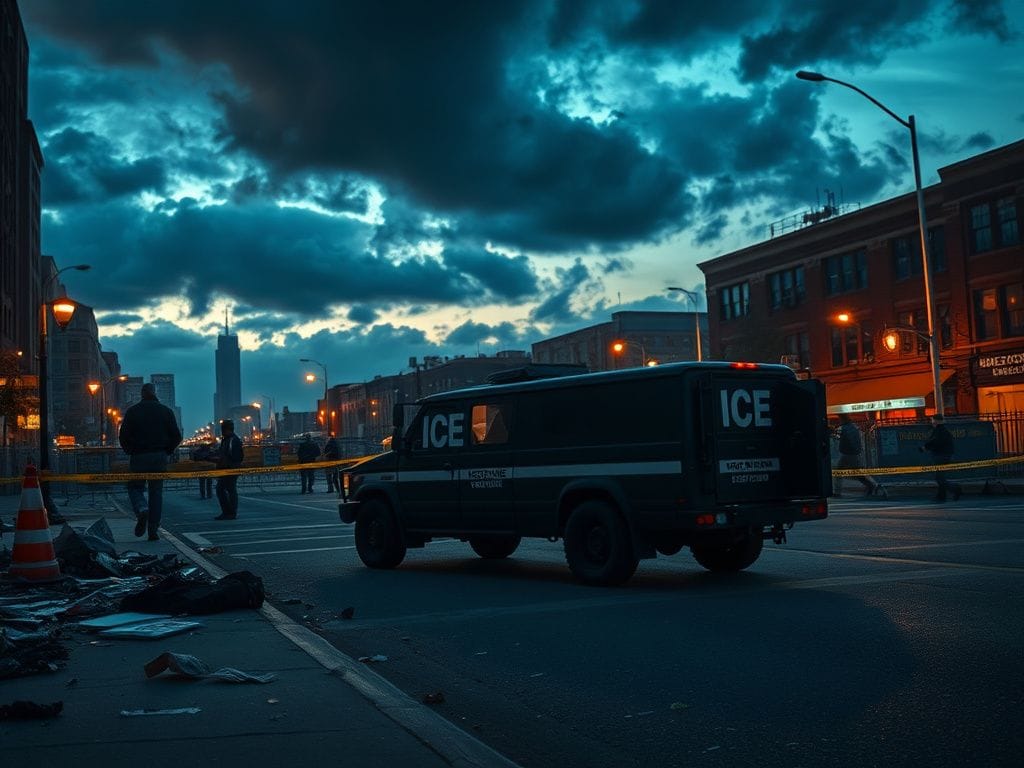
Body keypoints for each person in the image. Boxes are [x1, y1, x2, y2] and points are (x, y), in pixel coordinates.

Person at [118, 382, 182, 541]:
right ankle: (153, 530)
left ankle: (141, 508)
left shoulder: (133, 412)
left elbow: (123, 436)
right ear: (155, 394)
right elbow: (176, 436)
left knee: (134, 487)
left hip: (139, 456)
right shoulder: (166, 411)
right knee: (156, 492)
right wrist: (167, 450)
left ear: (142, 394)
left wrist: (130, 450)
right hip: (159, 456)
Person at [834, 414, 885, 499]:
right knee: (858, 474)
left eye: (840, 419)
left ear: (843, 419)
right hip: (853, 454)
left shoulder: (846, 428)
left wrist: (840, 439)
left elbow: (847, 440)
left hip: (848, 454)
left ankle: (874, 486)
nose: (839, 421)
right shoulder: (853, 427)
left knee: (840, 472)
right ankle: (872, 486)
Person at [921, 415, 962, 502]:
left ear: (937, 421)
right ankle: (941, 495)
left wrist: (925, 447)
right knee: (940, 477)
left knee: (939, 477)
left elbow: (936, 442)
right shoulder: (941, 430)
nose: (931, 422)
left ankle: (955, 489)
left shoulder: (940, 431)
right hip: (943, 455)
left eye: (932, 420)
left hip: (941, 456)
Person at [214, 419, 244, 520]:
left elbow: (238, 456)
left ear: (226, 429)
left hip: (230, 469)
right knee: (222, 490)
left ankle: (230, 513)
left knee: (229, 490)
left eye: (223, 429)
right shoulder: (226, 439)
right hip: (225, 469)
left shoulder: (233, 440)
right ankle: (228, 512)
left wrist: (227, 463)